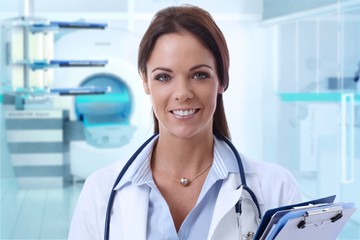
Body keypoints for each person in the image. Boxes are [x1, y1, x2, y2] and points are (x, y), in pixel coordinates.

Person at [68, 5, 301, 240]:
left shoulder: (276, 188)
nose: (182, 93)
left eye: (199, 75)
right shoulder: (101, 190)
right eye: (163, 77)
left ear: (221, 80)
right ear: (146, 82)